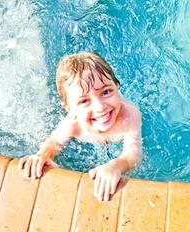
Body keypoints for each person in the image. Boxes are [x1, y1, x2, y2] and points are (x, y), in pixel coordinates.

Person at [19, 51, 142, 201]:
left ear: (117, 86)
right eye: (84, 101)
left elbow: (133, 154)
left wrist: (116, 165)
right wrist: (43, 154)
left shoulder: (129, 114)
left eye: (106, 91)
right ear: (69, 109)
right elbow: (54, 142)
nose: (100, 107)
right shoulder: (73, 124)